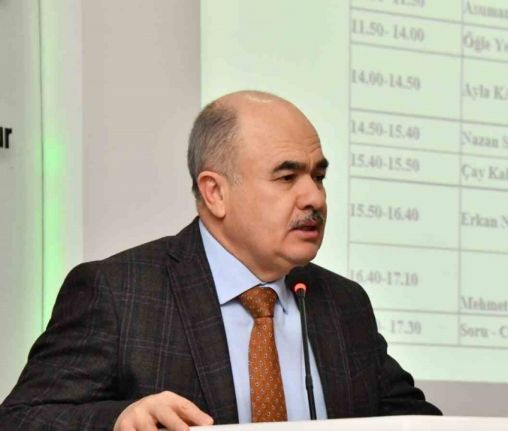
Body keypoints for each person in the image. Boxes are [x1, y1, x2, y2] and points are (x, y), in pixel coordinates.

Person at [0, 91, 441, 430]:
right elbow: (22, 418)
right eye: (287, 176)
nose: (314, 197)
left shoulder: (343, 303)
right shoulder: (120, 293)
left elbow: (416, 422)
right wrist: (118, 419)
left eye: (318, 176)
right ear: (215, 192)